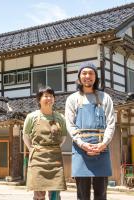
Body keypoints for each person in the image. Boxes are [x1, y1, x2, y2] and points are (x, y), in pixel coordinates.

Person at [65, 62, 115, 200]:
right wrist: (82, 144)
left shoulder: (106, 98)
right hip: (80, 149)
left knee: (101, 193)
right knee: (82, 194)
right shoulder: (72, 99)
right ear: (79, 77)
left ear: (96, 77)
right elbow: (70, 125)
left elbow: (111, 123)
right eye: (84, 73)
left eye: (91, 73)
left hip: (102, 148)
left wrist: (103, 144)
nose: (88, 76)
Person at [23, 86, 67, 200]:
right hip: (38, 158)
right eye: (46, 96)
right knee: (39, 194)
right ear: (39, 99)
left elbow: (63, 136)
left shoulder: (60, 117)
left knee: (55, 195)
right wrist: (31, 148)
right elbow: (26, 135)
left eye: (51, 96)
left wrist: (56, 147)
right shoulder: (31, 117)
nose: (49, 98)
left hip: (55, 159)